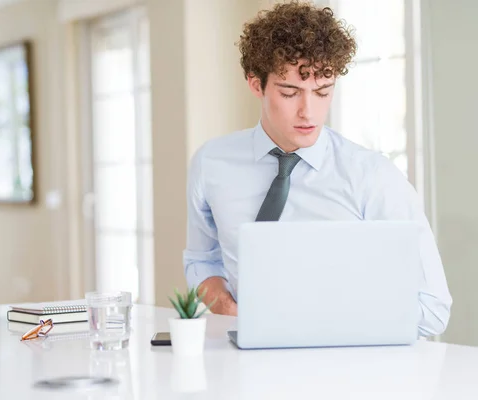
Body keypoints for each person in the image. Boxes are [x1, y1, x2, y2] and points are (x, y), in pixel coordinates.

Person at [183, 1, 452, 337]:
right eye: (290, 92)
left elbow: (432, 307)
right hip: (242, 365)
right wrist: (225, 306)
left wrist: (329, 321)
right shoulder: (211, 164)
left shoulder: (373, 177)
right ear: (256, 84)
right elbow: (201, 259)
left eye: (323, 91)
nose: (308, 111)